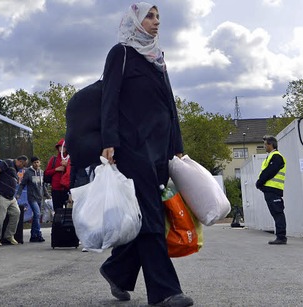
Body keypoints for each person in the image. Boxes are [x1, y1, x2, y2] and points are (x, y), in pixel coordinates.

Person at [98, 4, 193, 306]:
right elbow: (108, 99)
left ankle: (117, 270)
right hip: (132, 148)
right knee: (151, 217)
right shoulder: (121, 54)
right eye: (150, 17)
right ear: (135, 20)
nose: (156, 23)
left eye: (158, 18)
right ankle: (165, 291)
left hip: (159, 151)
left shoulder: (158, 58)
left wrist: (176, 145)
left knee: (145, 216)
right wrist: (109, 140)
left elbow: (170, 106)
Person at [256, 136, 287, 245]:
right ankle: (280, 236)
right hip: (270, 190)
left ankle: (281, 237)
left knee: (278, 213)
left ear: (270, 144)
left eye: (265, 144)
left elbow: (270, 171)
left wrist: (259, 182)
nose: (264, 146)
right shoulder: (271, 156)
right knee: (276, 213)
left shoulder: (277, 157)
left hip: (274, 189)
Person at [0, 155, 28, 246]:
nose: (23, 168)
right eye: (23, 165)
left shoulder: (15, 169)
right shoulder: (8, 162)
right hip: (0, 195)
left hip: (11, 197)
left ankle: (9, 235)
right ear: (20, 161)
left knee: (16, 213)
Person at [15, 156, 46, 242]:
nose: (36, 164)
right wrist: (18, 194)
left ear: (40, 163)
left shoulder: (41, 172)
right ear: (32, 164)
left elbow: (43, 185)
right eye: (34, 162)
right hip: (32, 197)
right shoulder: (28, 172)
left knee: (37, 216)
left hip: (40, 197)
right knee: (37, 214)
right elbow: (22, 184)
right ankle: (38, 234)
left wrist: (47, 194)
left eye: (38, 162)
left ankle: (33, 235)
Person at [45, 138, 70, 211]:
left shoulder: (70, 159)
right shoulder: (54, 159)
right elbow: (47, 172)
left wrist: (67, 166)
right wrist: (56, 169)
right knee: (57, 209)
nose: (61, 149)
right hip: (56, 189)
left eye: (63, 147)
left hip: (67, 188)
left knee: (68, 209)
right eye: (59, 147)